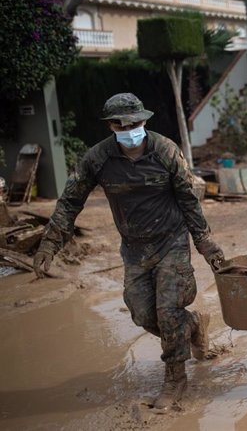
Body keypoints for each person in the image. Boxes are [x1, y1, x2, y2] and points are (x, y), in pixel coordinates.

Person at [33, 93, 224, 411]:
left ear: (144, 120)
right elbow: (70, 201)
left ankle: (175, 379)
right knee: (143, 315)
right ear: (110, 126)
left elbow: (189, 201)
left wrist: (206, 245)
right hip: (134, 249)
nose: (130, 129)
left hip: (171, 242)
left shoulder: (165, 150)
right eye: (121, 125)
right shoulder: (98, 158)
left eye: (135, 123)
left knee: (168, 311)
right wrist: (50, 244)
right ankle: (191, 326)